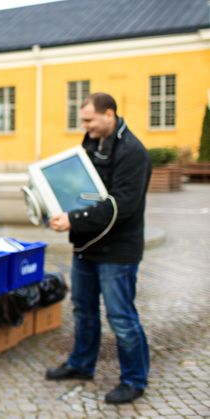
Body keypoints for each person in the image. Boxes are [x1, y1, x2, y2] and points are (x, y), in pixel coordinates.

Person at [45, 92, 151, 404]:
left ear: (110, 114)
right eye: (84, 121)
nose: (86, 126)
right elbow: (78, 187)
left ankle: (134, 380)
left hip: (118, 252)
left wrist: (74, 219)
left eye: (90, 120)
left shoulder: (133, 152)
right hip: (86, 246)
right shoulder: (91, 143)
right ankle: (81, 364)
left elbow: (123, 206)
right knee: (84, 310)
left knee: (121, 317)